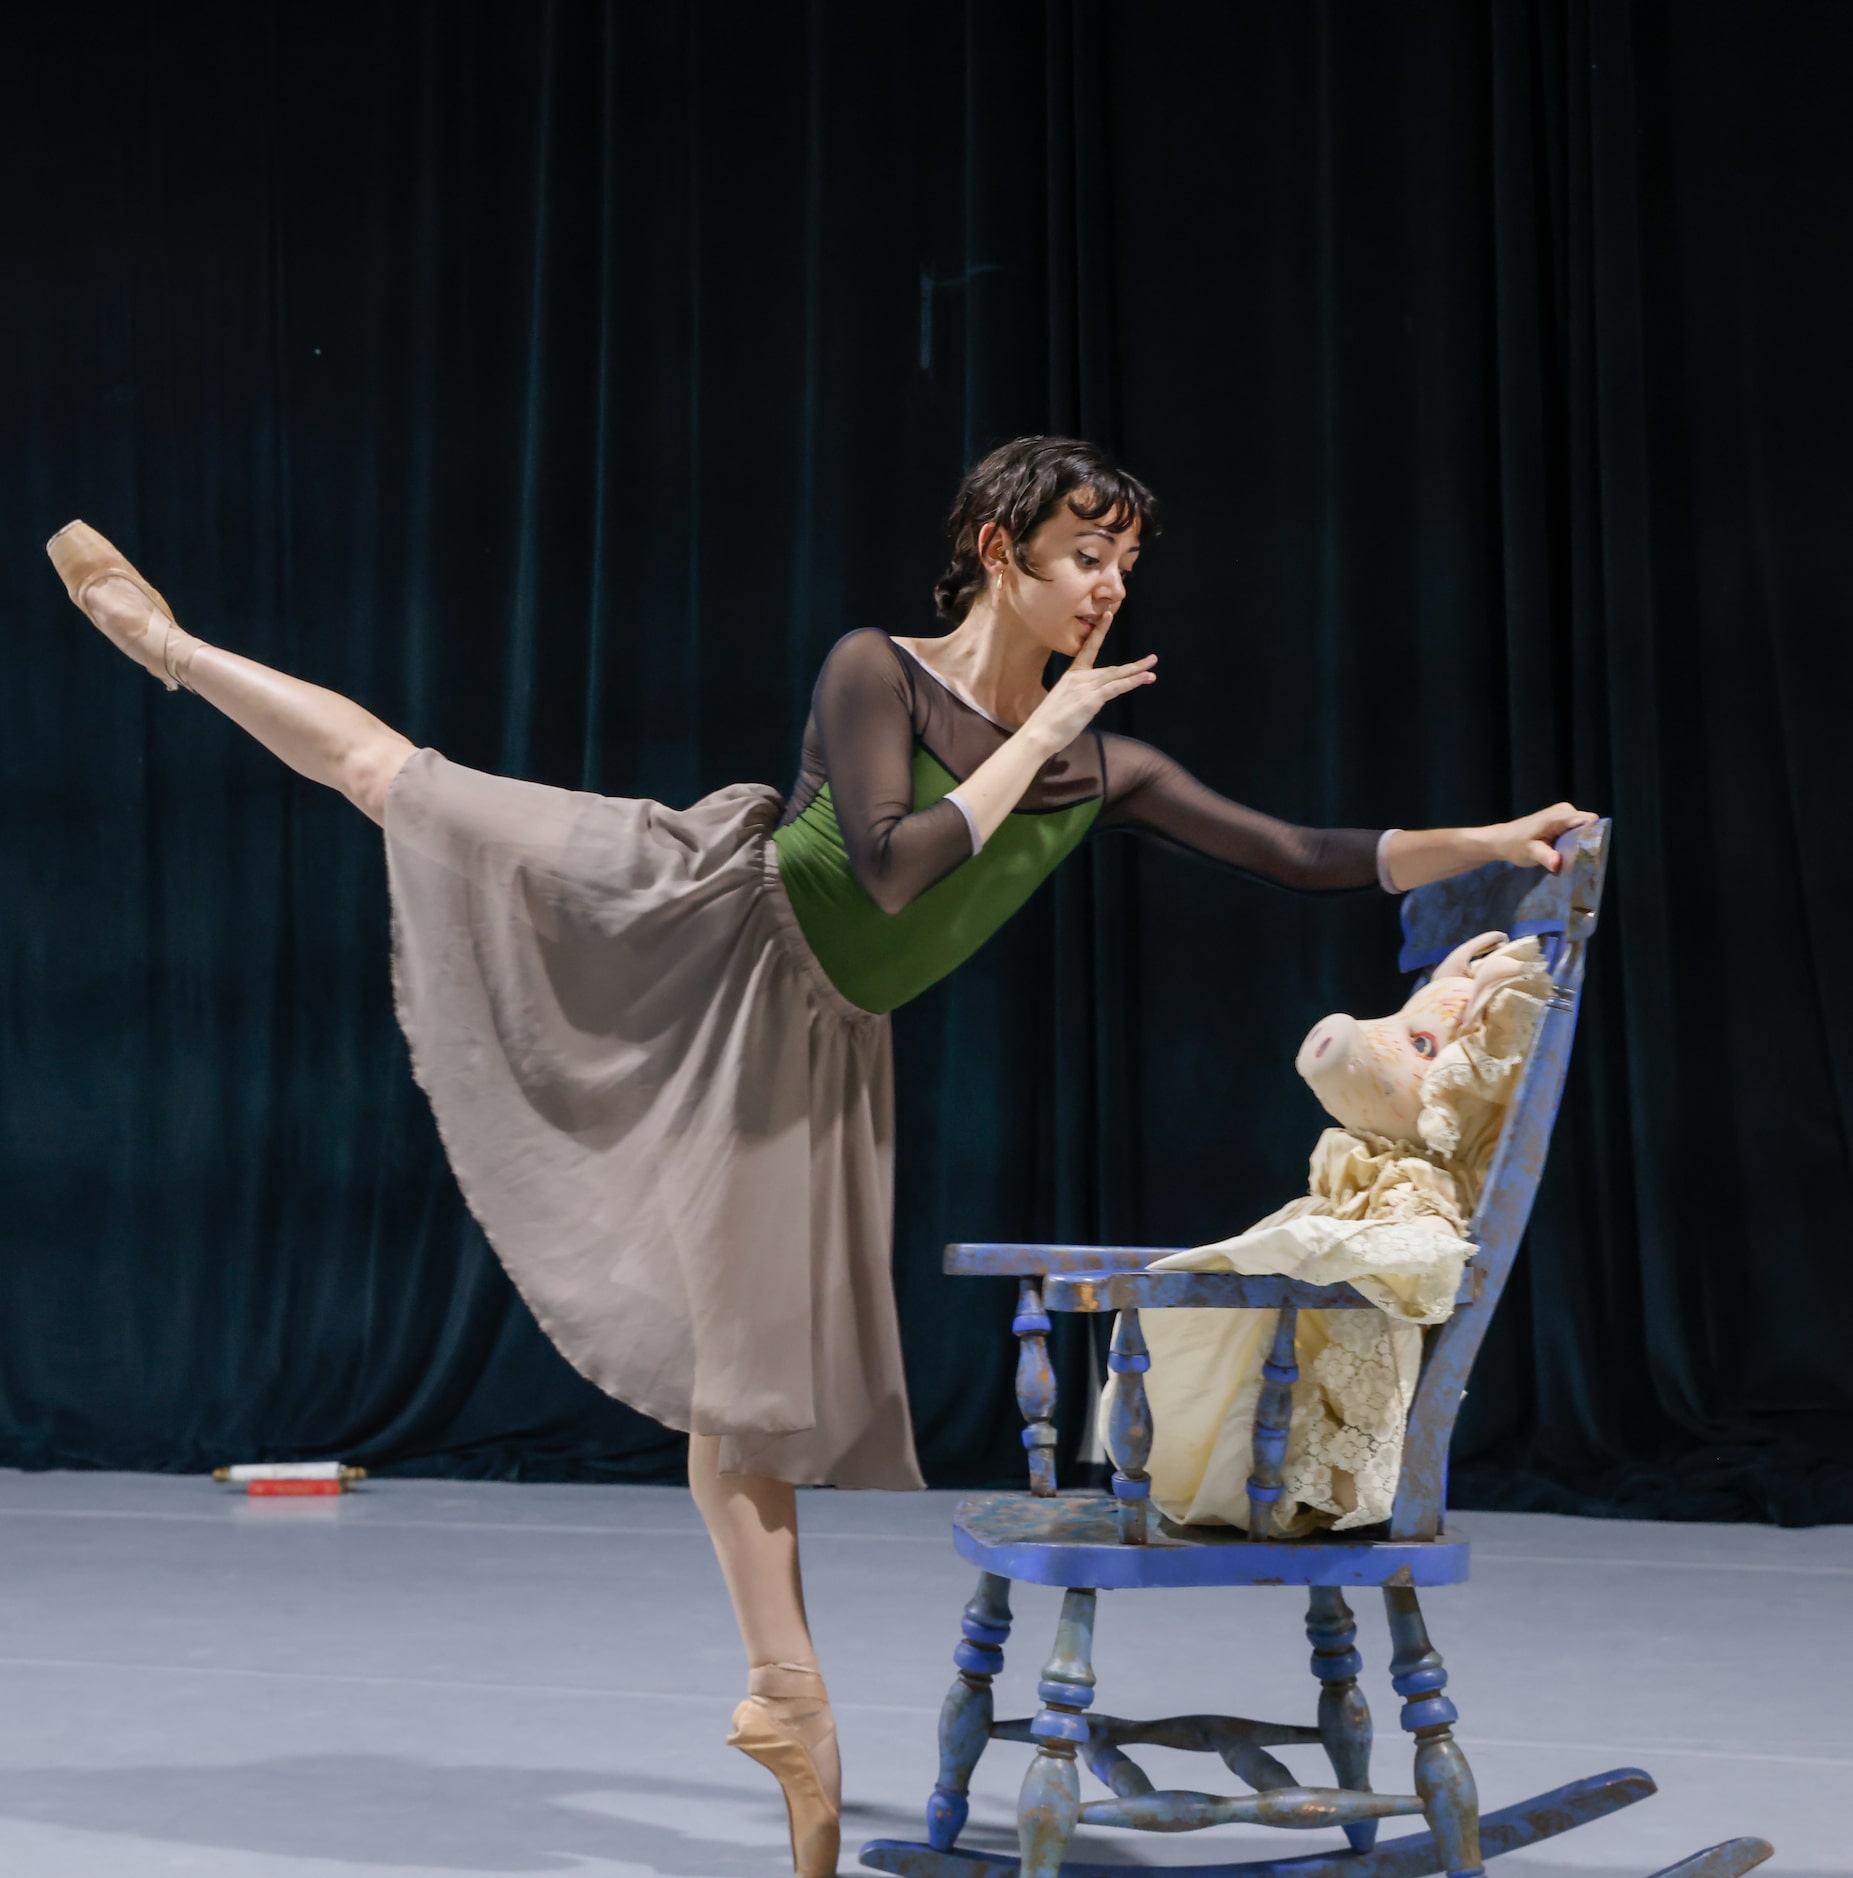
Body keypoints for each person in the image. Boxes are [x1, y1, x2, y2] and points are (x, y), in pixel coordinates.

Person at [46, 435, 1593, 1877]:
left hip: (813, 1039)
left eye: (1122, 561)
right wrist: (1047, 722)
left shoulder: (1100, 770)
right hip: (705, 915)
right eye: (1080, 555)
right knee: (406, 783)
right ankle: (174, 648)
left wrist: (1488, 837)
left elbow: (1305, 853)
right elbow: (894, 858)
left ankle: (785, 1692)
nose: (1107, 587)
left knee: (753, 1380)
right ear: (998, 551)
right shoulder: (883, 672)